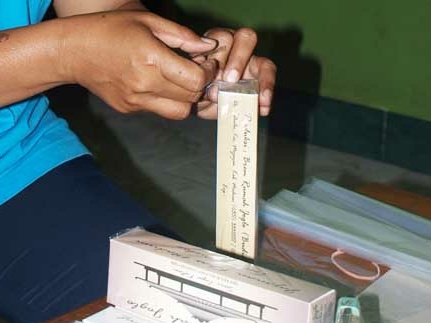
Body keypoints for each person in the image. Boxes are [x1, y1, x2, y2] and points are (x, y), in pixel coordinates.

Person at [0, 0, 276, 322]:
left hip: (17, 160)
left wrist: (177, 60)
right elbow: (77, 44)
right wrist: (67, 52)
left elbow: (105, 8)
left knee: (197, 310)